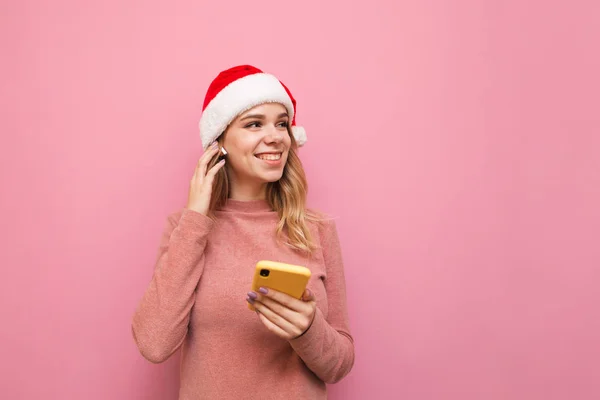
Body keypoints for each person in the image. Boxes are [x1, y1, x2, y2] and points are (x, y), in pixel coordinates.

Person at [131, 64, 355, 399]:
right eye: (254, 124)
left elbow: (339, 365)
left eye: (282, 123)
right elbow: (154, 343)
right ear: (219, 141)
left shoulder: (317, 229)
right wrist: (196, 218)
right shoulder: (185, 228)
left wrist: (309, 328)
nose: (276, 135)